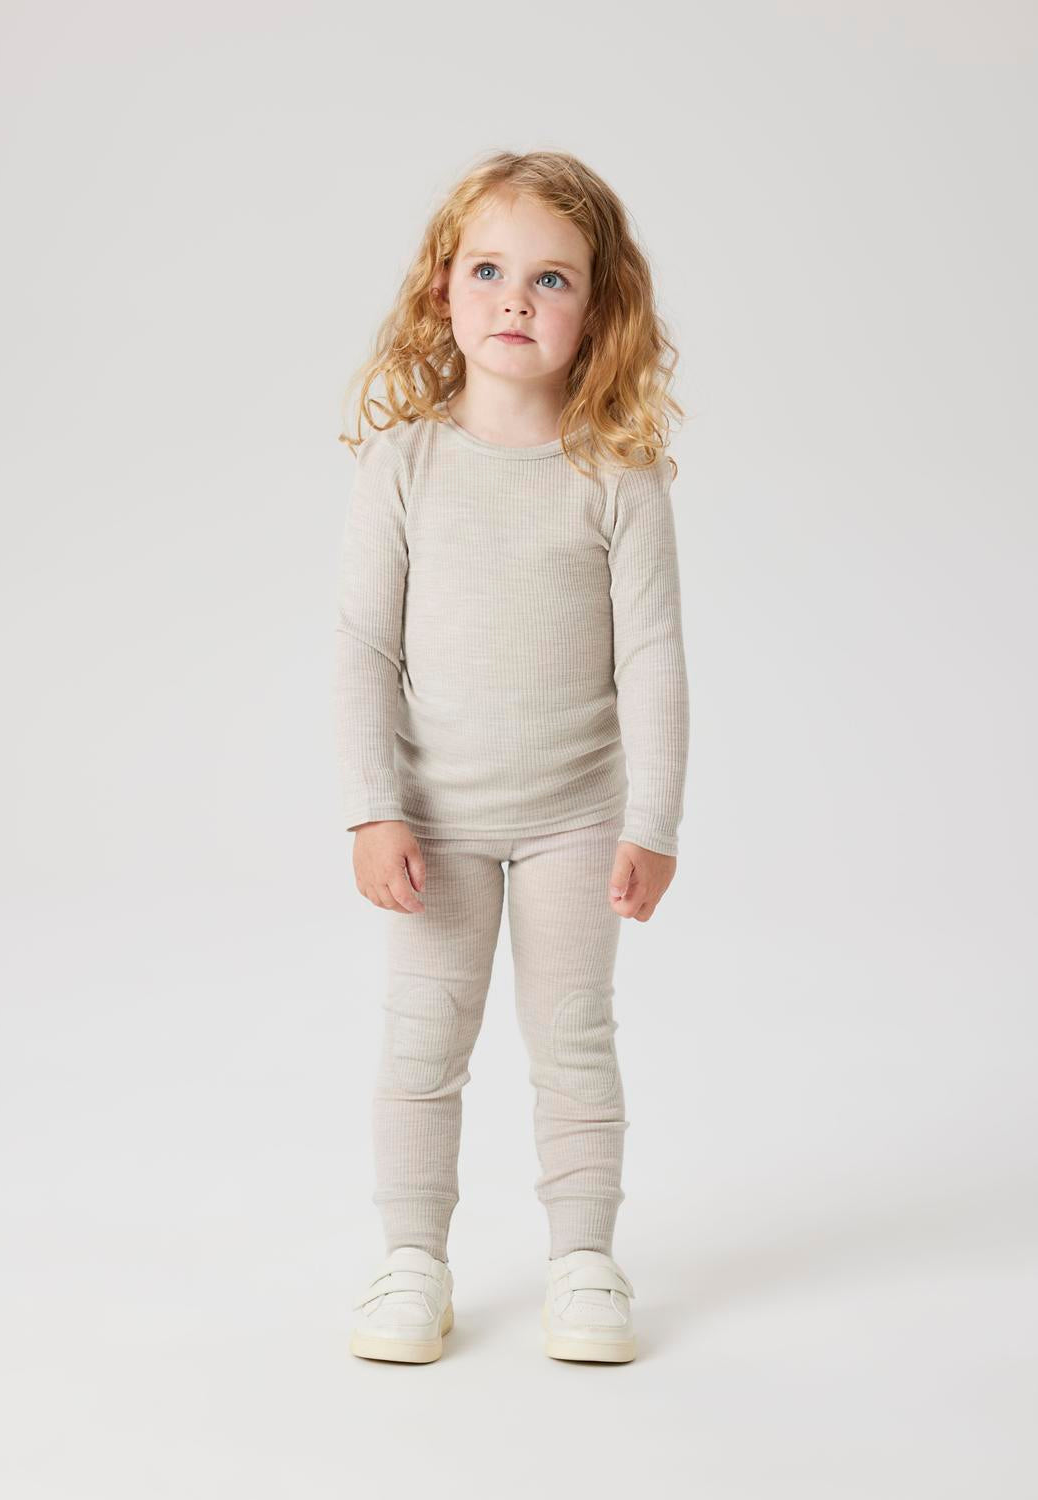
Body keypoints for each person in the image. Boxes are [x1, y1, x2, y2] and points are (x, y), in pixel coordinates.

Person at [332, 149, 690, 1364]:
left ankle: (584, 1263)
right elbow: (361, 648)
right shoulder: (405, 465)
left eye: (552, 279)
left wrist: (653, 823)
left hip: (576, 820)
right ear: (443, 288)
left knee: (574, 1039)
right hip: (433, 824)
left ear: (598, 307)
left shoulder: (618, 477)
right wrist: (372, 807)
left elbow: (653, 657)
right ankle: (410, 1262)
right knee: (421, 1043)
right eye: (487, 270)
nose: (516, 300)